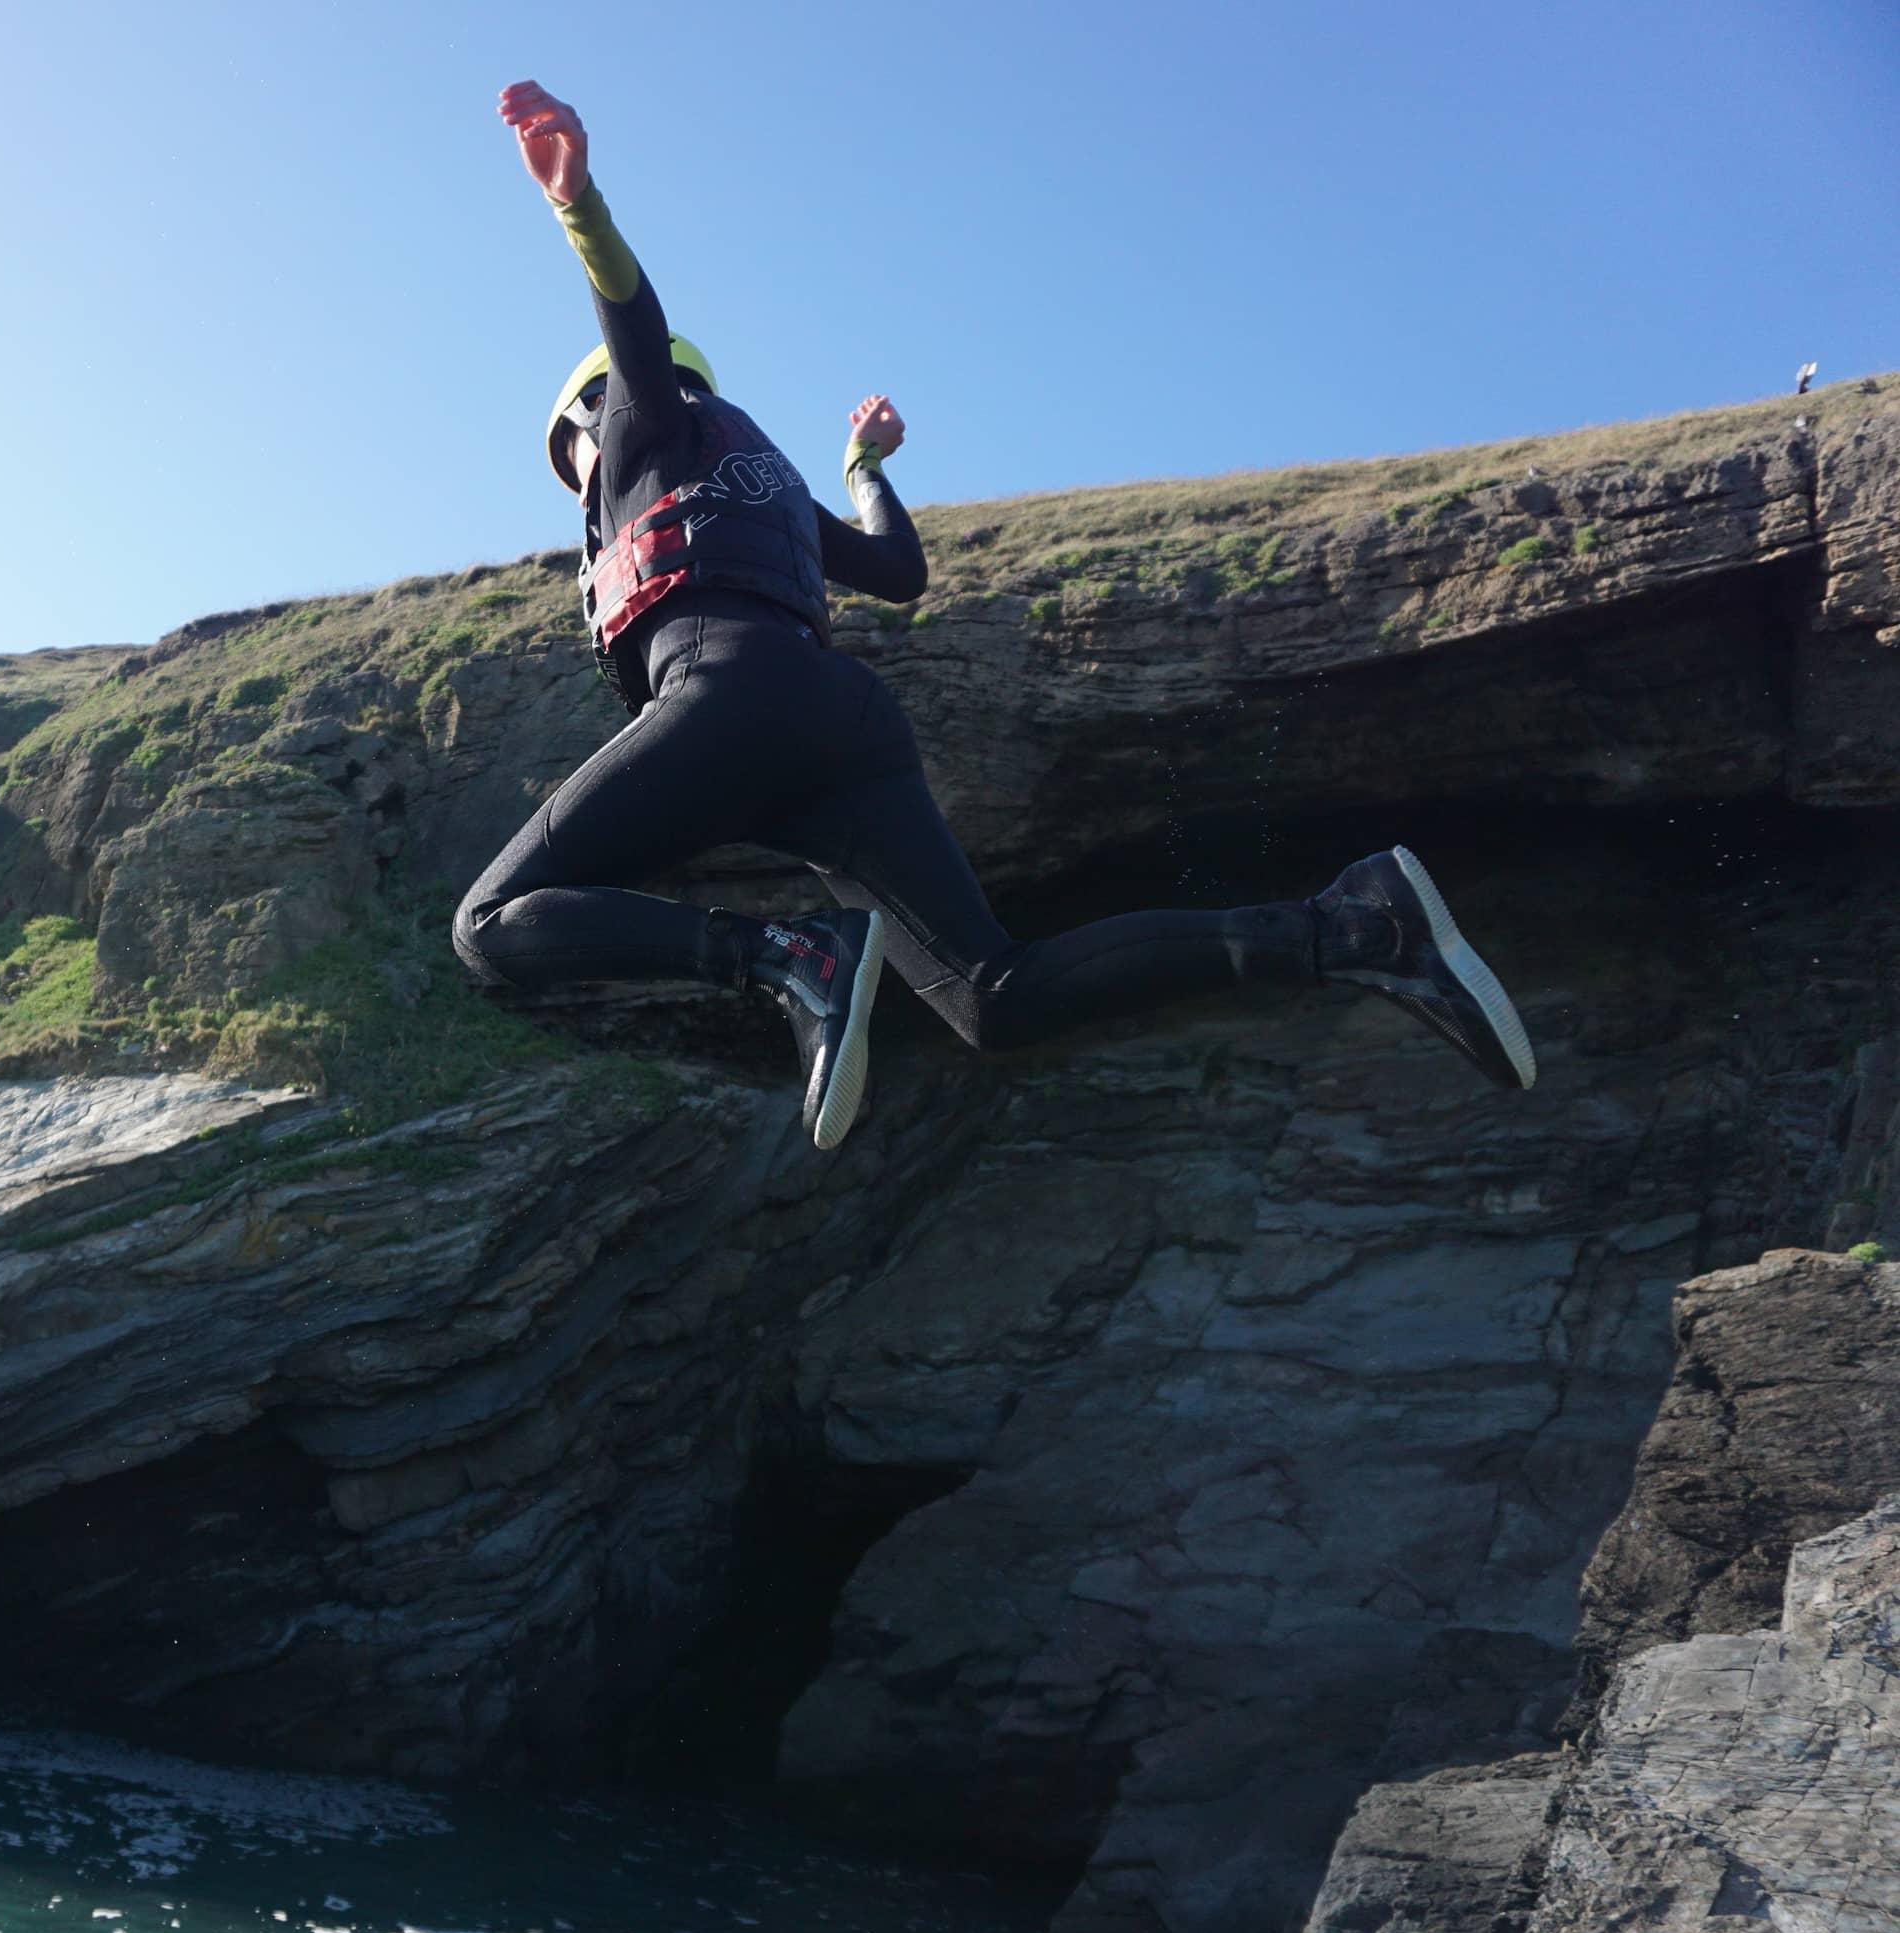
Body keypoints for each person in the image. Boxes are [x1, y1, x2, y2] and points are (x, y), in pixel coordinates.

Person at [452, 81, 1536, 1149]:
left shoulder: (642, 421)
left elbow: (634, 327)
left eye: (569, 455)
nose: (578, 481)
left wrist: (575, 203)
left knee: (492, 922)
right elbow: (897, 570)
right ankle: (1351, 927)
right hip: (834, 732)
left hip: (732, 697)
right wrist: (863, 465)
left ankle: (785, 955)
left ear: (593, 414)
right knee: (993, 997)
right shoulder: (761, 479)